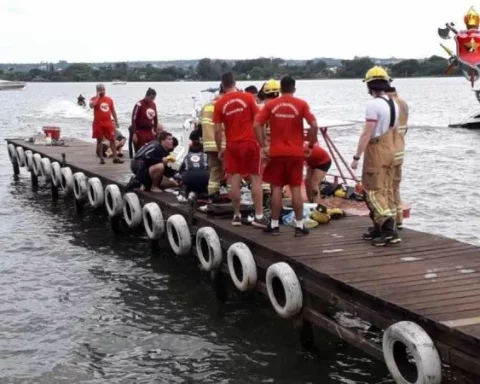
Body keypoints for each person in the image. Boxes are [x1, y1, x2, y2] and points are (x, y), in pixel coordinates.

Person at [255, 75, 317, 237]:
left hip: (276, 152)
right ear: (294, 89)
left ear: (281, 89)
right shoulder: (301, 104)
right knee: (295, 188)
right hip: (296, 153)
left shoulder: (272, 105)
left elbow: (257, 124)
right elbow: (314, 125)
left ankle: (274, 226)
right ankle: (299, 226)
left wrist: (263, 146)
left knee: (276, 188)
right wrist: (310, 145)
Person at [350, 66, 399, 246]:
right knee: (385, 189)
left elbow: (367, 133)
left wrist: (356, 157)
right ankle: (381, 228)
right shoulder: (393, 103)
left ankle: (387, 228)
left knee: (371, 191)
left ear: (370, 86)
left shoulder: (373, 105)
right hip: (391, 149)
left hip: (376, 150)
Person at [213, 72, 268, 228]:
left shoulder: (219, 104)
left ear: (222, 85)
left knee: (234, 180)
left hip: (232, 145)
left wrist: (219, 149)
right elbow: (258, 123)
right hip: (250, 142)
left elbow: (217, 131)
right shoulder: (249, 98)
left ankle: (236, 215)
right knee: (256, 179)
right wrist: (262, 144)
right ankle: (258, 216)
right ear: (235, 83)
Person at [386, 85, 408, 232]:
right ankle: (399, 221)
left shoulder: (389, 104)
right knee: (396, 187)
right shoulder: (403, 103)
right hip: (401, 148)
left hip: (389, 149)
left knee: (386, 187)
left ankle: (390, 222)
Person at [89, 83, 123, 164]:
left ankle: (115, 157)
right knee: (99, 140)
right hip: (98, 123)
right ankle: (101, 158)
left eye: (103, 89)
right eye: (100, 90)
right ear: (97, 90)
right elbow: (91, 106)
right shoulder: (93, 99)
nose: (102, 91)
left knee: (112, 139)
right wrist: (97, 96)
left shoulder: (109, 99)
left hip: (108, 123)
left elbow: (113, 110)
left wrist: (116, 121)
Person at [201, 85, 226, 198]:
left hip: (208, 145)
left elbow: (200, 124)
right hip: (222, 143)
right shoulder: (225, 105)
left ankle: (212, 196)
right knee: (230, 173)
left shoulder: (206, 106)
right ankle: (231, 198)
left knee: (214, 172)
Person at [131, 88, 158, 152]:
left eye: (154, 98)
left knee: (151, 149)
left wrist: (154, 130)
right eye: (151, 98)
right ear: (147, 96)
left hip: (149, 131)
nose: (152, 100)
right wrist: (134, 134)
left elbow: (155, 118)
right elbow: (134, 119)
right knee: (141, 150)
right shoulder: (139, 104)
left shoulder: (153, 104)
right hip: (140, 130)